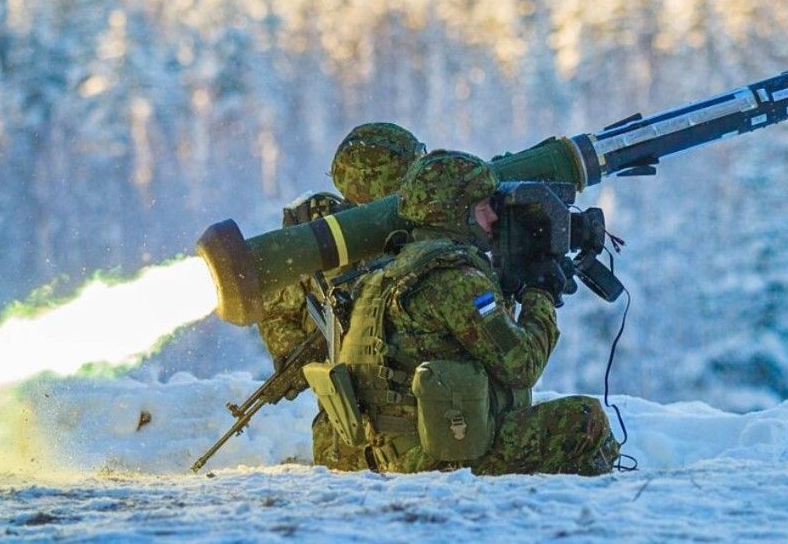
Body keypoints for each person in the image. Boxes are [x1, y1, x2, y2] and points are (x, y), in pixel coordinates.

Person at [331, 150, 619, 475]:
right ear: (457, 215)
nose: (493, 218)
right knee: (584, 420)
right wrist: (541, 294)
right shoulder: (455, 280)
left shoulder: (386, 271)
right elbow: (523, 365)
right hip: (436, 457)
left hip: (389, 451)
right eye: (483, 208)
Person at [256, 122, 426, 471]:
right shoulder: (323, 241)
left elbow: (274, 310)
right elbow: (276, 313)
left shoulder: (322, 239)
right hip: (389, 441)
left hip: (359, 443)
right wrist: (307, 352)